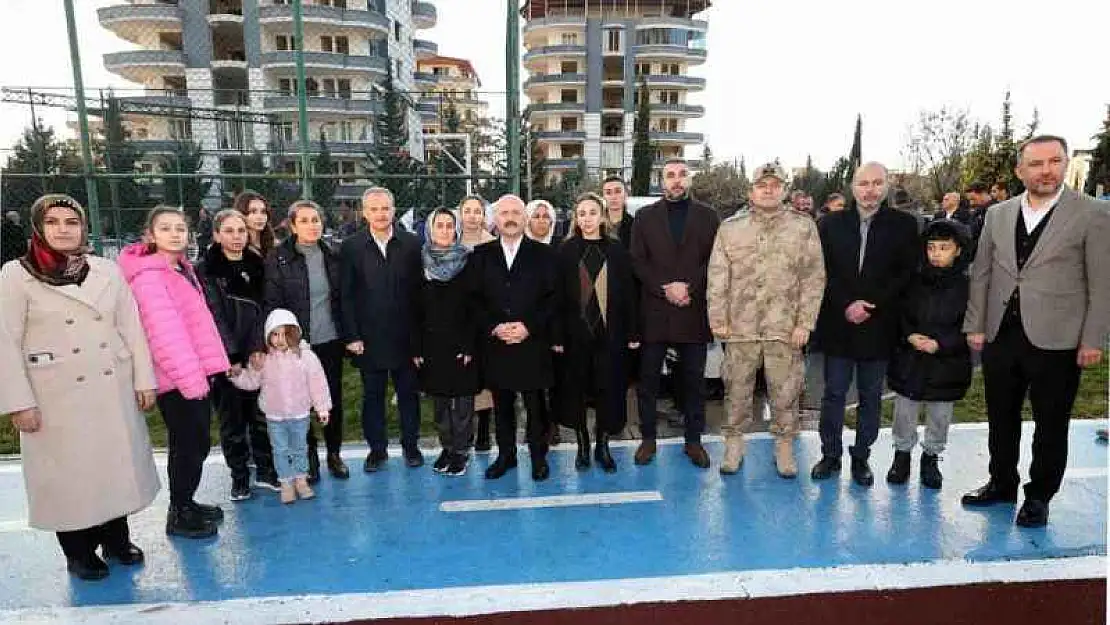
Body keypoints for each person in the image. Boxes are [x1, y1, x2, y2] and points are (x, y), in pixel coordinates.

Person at [0, 195, 159, 580]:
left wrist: (143, 378)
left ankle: (116, 540)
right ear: (38, 228)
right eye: (53, 222)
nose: (63, 229)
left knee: (112, 465)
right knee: (69, 476)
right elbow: (4, 341)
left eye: (71, 221)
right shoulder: (16, 275)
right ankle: (78, 551)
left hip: (110, 387)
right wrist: (18, 402)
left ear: (83, 227)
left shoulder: (105, 270)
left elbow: (131, 326)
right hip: (55, 395)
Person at [962, 135, 1109, 527]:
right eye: (1037, 163)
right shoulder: (998, 214)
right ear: (1020, 171)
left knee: (1051, 421)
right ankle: (1001, 482)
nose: (1047, 170)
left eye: (1055, 161)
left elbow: (1102, 282)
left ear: (1064, 165)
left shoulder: (1093, 214)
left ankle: (1039, 495)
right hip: (1001, 334)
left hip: (1058, 338)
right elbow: (982, 274)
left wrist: (1093, 338)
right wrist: (975, 325)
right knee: (1000, 415)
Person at [707, 163, 825, 478]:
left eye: (775, 185)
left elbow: (813, 278)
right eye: (762, 185)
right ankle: (734, 443)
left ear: (784, 190)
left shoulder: (803, 228)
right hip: (740, 327)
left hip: (784, 328)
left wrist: (805, 323)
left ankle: (784, 445)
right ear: (751, 191)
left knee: (786, 390)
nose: (768, 190)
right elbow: (718, 276)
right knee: (736, 388)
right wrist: (718, 319)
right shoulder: (731, 228)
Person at [119, 206, 230, 539]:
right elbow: (165, 334)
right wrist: (191, 380)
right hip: (178, 379)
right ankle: (179, 512)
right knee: (188, 443)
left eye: (180, 227)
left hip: (191, 374)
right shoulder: (150, 276)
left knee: (195, 442)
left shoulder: (178, 268)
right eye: (165, 228)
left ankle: (187, 502)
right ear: (150, 235)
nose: (175, 233)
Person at [811, 162, 920, 486]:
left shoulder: (905, 225)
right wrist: (846, 304)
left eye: (876, 183)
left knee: (871, 396)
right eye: (863, 183)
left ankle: (861, 457)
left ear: (886, 186)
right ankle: (830, 455)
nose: (869, 190)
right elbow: (822, 271)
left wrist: (870, 305)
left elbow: (905, 274)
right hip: (839, 324)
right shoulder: (830, 224)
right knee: (833, 394)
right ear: (852, 186)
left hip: (878, 324)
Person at [630, 158, 720, 468]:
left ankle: (693, 442)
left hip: (692, 310)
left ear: (690, 180)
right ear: (661, 180)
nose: (676, 180)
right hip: (655, 310)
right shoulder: (643, 217)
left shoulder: (709, 217)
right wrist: (666, 288)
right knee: (648, 381)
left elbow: (715, 262)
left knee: (694, 382)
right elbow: (638, 262)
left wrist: (689, 287)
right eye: (670, 175)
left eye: (682, 175)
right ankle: (648, 439)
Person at [470, 194, 560, 481]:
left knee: (536, 408)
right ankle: (506, 455)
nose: (510, 218)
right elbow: (474, 300)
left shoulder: (545, 255)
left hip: (532, 344)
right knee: (503, 406)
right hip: (497, 345)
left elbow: (554, 299)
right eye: (504, 213)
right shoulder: (481, 255)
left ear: (524, 218)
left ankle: (538, 458)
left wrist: (529, 326)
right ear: (495, 220)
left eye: (516, 213)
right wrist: (495, 327)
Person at [263, 200, 349, 483]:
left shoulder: (334, 254)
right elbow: (274, 302)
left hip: (330, 340)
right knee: (299, 403)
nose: (312, 225)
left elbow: (343, 297)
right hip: (296, 345)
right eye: (305, 220)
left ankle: (334, 453)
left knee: (330, 398)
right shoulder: (279, 257)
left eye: (316, 220)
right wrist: (286, 339)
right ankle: (308, 456)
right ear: (292, 224)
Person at [197, 209, 280, 500]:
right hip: (225, 357)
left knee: (260, 415)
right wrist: (230, 355)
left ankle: (267, 471)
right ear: (217, 235)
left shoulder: (258, 264)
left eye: (241, 231)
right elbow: (214, 316)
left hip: (256, 353)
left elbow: (266, 306)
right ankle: (240, 478)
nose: (236, 237)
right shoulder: (206, 270)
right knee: (232, 422)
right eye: (229, 231)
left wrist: (259, 346)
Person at [340, 187, 425, 471]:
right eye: (374, 209)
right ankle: (377, 450)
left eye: (385, 208)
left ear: (394, 210)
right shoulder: (351, 246)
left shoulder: (412, 244)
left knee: (409, 396)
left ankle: (411, 447)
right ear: (364, 213)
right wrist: (352, 335)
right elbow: (346, 295)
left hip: (405, 338)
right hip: (369, 339)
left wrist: (419, 341)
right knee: (372, 397)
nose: (380, 214)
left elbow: (419, 294)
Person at [555, 193, 640, 473]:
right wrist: (557, 336)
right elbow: (555, 298)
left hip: (610, 337)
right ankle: (582, 445)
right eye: (582, 213)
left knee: (609, 392)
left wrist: (632, 331)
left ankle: (603, 445)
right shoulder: (566, 251)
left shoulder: (616, 250)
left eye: (592, 212)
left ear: (602, 216)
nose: (587, 218)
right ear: (575, 218)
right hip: (575, 337)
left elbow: (629, 295)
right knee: (576, 393)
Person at [885, 219, 973, 489]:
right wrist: (909, 335)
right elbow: (899, 313)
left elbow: (971, 324)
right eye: (931, 247)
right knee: (904, 411)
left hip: (947, 363)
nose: (936, 253)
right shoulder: (914, 280)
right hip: (911, 359)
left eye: (944, 248)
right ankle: (901, 454)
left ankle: (931, 457)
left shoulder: (968, 286)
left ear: (958, 250)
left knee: (940, 414)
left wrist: (942, 344)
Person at [229, 309, 331, 504]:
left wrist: (322, 407)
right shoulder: (263, 360)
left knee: (300, 448)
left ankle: (301, 480)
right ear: (268, 336)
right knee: (280, 450)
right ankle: (285, 483)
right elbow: (251, 381)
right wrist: (236, 375)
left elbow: (318, 384)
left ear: (295, 333)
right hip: (275, 417)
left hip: (300, 414)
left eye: (285, 334)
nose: (280, 339)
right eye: (275, 334)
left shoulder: (307, 357)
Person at [412, 209, 480, 477]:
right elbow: (414, 310)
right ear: (430, 230)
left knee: (462, 405)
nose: (444, 230)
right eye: (438, 225)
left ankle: (462, 451)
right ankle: (447, 446)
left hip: (461, 345)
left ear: (456, 230)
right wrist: (415, 347)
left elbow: (476, 309)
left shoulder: (468, 262)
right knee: (440, 403)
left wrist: (469, 346)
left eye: (449, 225)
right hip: (431, 346)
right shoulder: (420, 264)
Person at [458, 194, 496, 451]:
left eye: (477, 211)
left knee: (486, 374)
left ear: (484, 216)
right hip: (458, 320)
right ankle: (462, 429)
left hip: (485, 319)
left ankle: (484, 430)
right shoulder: (451, 242)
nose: (472, 215)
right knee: (463, 373)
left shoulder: (493, 245)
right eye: (468, 210)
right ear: (461, 214)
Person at [233, 190, 277, 257]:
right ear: (241, 214)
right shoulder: (235, 247)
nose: (260, 217)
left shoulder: (275, 245)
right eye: (253, 212)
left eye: (263, 212)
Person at [602, 176, 636, 248]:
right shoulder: (595, 224)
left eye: (618, 191)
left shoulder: (635, 225)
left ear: (626, 194)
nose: (613, 197)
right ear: (603, 196)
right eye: (608, 192)